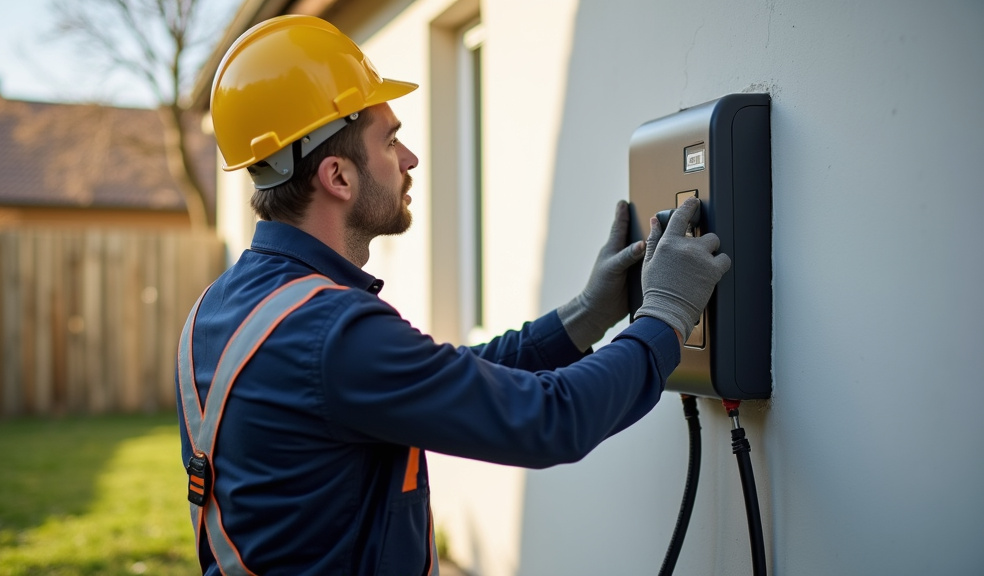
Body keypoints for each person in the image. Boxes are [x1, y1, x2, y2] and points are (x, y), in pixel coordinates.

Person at [176, 14, 731, 576]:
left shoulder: (217, 312)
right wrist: (667, 314)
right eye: (390, 140)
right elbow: (547, 421)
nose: (410, 159)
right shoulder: (329, 331)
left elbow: (444, 379)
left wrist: (586, 315)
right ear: (338, 177)